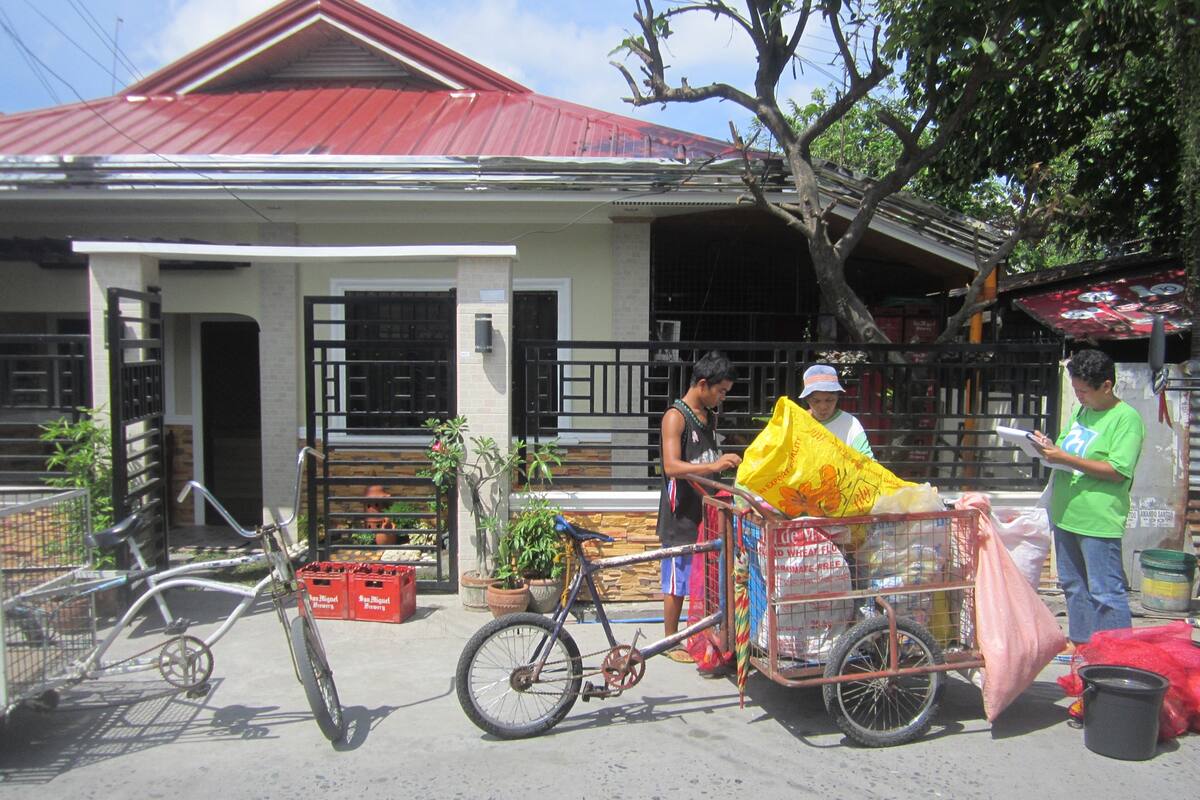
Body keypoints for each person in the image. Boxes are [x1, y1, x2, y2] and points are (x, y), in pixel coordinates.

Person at [1032, 349, 1144, 650]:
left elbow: (1118, 471)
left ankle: (1117, 656)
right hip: (1066, 513)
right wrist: (1047, 448)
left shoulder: (1126, 419)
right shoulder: (1083, 411)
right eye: (1076, 390)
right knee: (1073, 585)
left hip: (1098, 519)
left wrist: (1064, 457)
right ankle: (1083, 646)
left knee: (1105, 591)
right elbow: (1067, 449)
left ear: (1106, 386)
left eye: (1083, 391)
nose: (1079, 397)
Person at [656, 351, 742, 662]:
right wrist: (715, 465)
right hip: (680, 513)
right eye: (721, 391)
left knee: (705, 577)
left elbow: (706, 459)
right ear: (703, 384)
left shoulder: (708, 417)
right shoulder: (675, 416)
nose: (722, 397)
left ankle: (702, 636)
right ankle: (670, 641)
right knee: (677, 580)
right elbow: (672, 466)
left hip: (707, 510)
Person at [799, 364, 874, 458]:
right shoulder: (798, 423)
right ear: (807, 399)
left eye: (829, 400)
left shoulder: (850, 423)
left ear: (837, 397)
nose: (823, 407)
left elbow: (867, 460)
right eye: (816, 401)